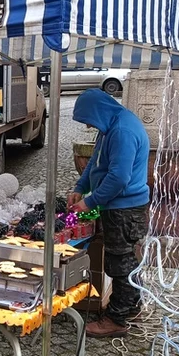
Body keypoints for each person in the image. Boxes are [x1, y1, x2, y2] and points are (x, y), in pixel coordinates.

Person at [67, 89, 150, 338]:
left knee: (120, 262)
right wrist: (80, 187)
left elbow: (118, 178)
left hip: (124, 209)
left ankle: (117, 318)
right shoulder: (111, 125)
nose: (88, 125)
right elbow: (96, 161)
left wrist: (90, 202)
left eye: (88, 120)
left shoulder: (122, 131)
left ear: (98, 111)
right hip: (117, 207)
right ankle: (130, 305)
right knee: (123, 260)